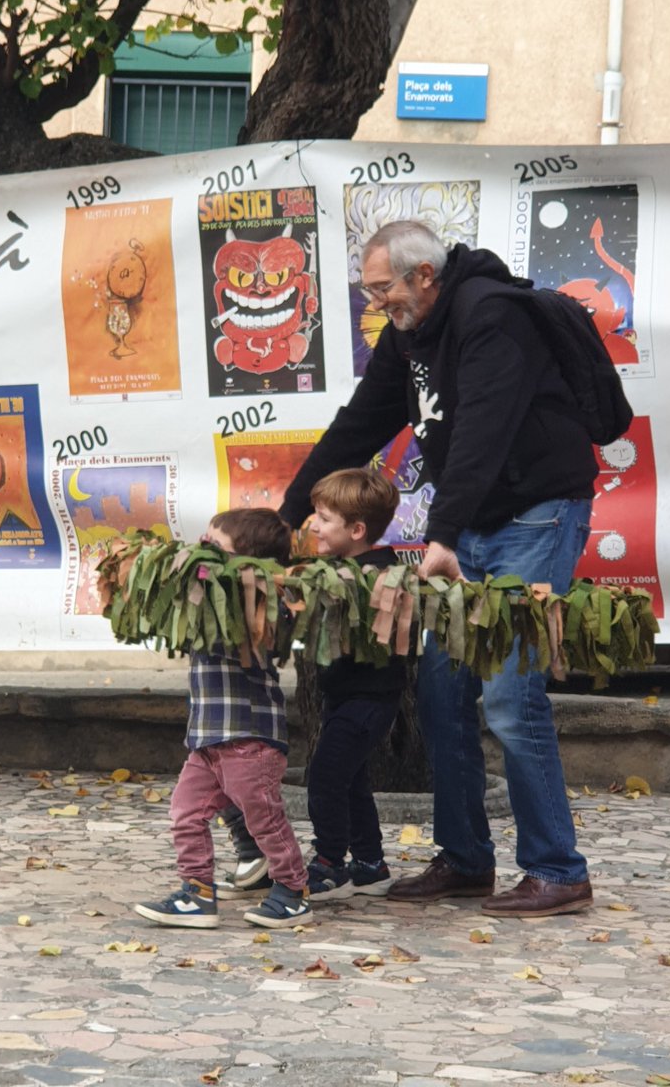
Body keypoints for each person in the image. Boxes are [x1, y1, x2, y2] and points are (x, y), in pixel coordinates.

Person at [279, 219, 598, 918]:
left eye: (383, 288)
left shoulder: (492, 316)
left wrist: (443, 532)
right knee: (441, 691)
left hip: (536, 513)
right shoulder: (408, 335)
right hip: (475, 523)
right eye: (369, 292)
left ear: (425, 275)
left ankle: (557, 868)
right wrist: (286, 516)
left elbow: (484, 431)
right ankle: (464, 860)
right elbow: (359, 423)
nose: (378, 303)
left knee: (512, 697)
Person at [134, 508, 312, 930]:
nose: (201, 551)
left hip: (250, 739)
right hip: (207, 740)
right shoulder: (200, 601)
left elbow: (282, 618)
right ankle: (196, 893)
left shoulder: (260, 603)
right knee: (184, 812)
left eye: (213, 546)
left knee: (263, 817)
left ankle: (293, 891)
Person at [302, 468, 409, 902]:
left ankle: (330, 864)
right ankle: (370, 865)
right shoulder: (338, 569)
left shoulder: (379, 573)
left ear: (357, 529)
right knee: (351, 780)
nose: (313, 524)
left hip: (369, 699)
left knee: (325, 778)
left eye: (324, 518)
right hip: (343, 695)